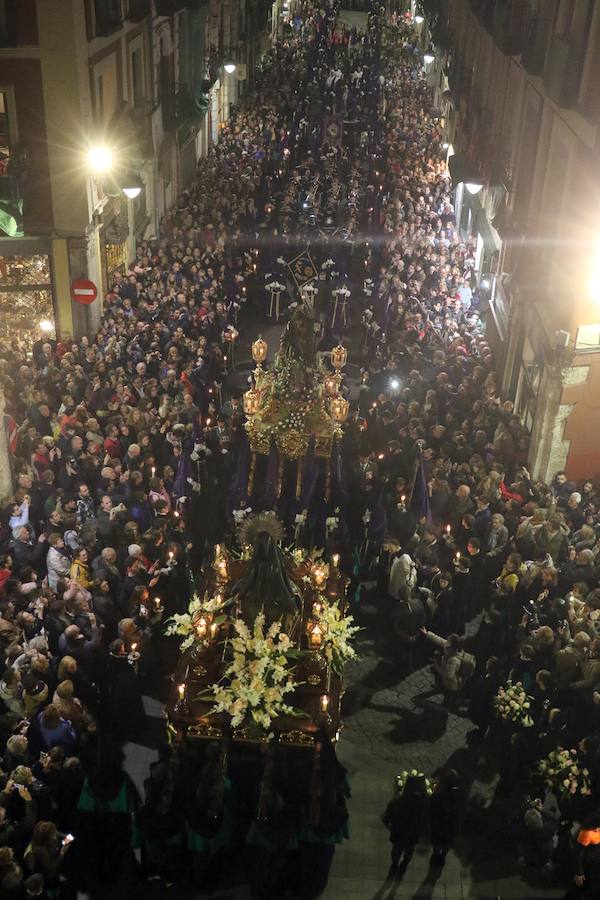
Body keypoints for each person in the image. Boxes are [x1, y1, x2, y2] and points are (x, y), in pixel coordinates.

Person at [383, 775, 430, 872]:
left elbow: (386, 819)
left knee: (396, 850)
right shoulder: (425, 804)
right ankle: (405, 863)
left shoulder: (396, 802)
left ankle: (395, 864)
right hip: (413, 834)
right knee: (409, 850)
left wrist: (391, 828)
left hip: (398, 833)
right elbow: (427, 821)